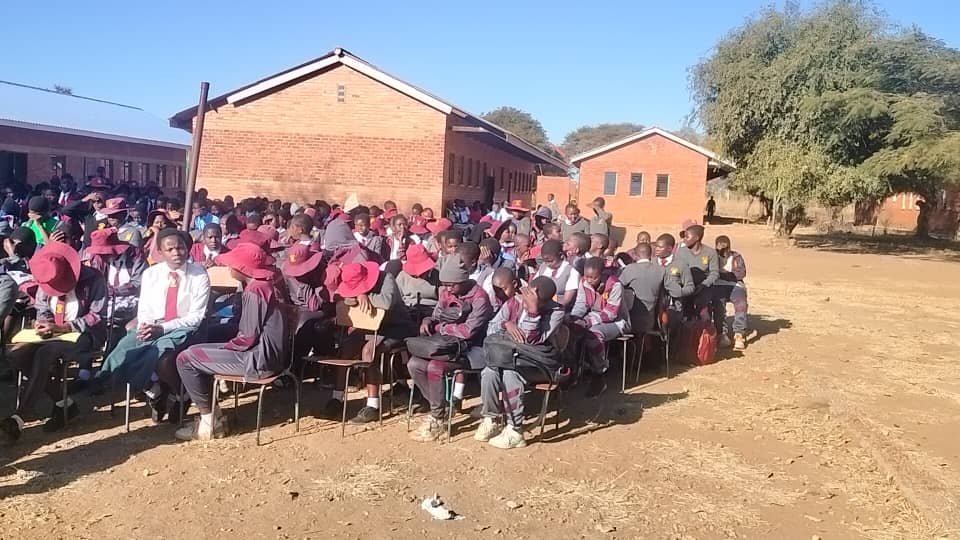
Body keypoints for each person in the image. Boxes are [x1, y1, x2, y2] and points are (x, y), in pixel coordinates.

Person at [175, 242, 289, 441]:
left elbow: (247, 337)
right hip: (267, 355)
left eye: (232, 264)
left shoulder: (256, 290)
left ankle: (209, 423)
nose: (229, 268)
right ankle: (214, 415)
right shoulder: (266, 284)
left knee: (186, 359)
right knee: (197, 350)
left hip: (257, 359)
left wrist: (225, 347)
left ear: (241, 268)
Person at [94, 229, 210, 421]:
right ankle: (153, 390)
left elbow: (195, 317)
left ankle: (181, 394)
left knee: (160, 357)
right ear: (161, 252)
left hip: (185, 328)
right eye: (170, 249)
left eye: (180, 248)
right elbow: (145, 308)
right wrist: (146, 326)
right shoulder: (151, 274)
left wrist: (162, 329)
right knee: (123, 352)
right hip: (154, 325)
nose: (176, 253)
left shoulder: (199, 274)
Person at [1, 241, 107, 441]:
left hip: (84, 333)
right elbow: (42, 308)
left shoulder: (94, 279)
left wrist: (65, 327)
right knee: (15, 355)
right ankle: (64, 404)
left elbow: (97, 316)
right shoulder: (46, 277)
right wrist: (45, 323)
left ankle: (19, 416)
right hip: (53, 333)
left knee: (44, 354)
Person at [407, 254, 492, 442]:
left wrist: (440, 327)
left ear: (463, 280)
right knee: (414, 364)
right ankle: (441, 409)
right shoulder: (446, 293)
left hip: (471, 349)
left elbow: (468, 331)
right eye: (444, 284)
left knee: (435, 368)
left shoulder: (479, 298)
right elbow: (437, 313)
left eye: (451, 285)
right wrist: (428, 321)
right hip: (444, 345)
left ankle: (437, 418)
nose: (446, 289)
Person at [475, 275, 565, 449]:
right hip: (512, 356)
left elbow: (531, 341)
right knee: (489, 371)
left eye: (532, 297)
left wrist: (533, 312)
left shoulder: (557, 312)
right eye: (526, 295)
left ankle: (515, 429)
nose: (525, 299)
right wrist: (506, 324)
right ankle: (491, 418)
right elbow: (491, 329)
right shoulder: (514, 302)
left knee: (510, 373)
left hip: (540, 363)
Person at [570, 257, 629, 396]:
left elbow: (611, 314)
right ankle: (574, 371)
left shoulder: (614, 285)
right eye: (587, 276)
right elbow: (581, 304)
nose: (589, 280)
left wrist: (587, 322)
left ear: (602, 274)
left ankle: (599, 375)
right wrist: (574, 318)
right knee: (571, 330)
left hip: (617, 322)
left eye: (594, 277)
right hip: (593, 317)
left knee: (593, 335)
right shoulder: (584, 282)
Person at [83, 228, 146, 352]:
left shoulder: (135, 255)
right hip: (106, 298)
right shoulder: (98, 258)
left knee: (115, 320)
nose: (102, 256)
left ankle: (112, 353)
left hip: (131, 299)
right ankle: (87, 362)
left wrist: (113, 291)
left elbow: (138, 283)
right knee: (90, 317)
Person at [675, 224, 720, 325]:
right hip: (686, 286)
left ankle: (706, 332)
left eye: (687, 237)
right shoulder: (681, 252)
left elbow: (714, 273)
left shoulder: (710, 253)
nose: (684, 239)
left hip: (703, 286)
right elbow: (677, 270)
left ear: (697, 238)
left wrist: (703, 285)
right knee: (680, 309)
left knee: (703, 311)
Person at [618, 242, 665, 335]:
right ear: (650, 254)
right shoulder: (661, 270)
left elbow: (617, 286)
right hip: (651, 319)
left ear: (635, 255)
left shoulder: (630, 269)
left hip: (631, 319)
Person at [714, 235, 748, 350]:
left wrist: (723, 274)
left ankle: (739, 334)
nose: (723, 251)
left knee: (741, 304)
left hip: (735, 285)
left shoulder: (736, 257)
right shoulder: (712, 256)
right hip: (718, 285)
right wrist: (728, 275)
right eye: (720, 248)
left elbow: (741, 273)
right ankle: (721, 334)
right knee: (718, 305)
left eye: (726, 248)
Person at [532, 239, 580, 310]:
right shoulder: (543, 267)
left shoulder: (571, 271)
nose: (548, 264)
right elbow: (532, 287)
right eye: (545, 261)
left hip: (559, 309)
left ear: (560, 255)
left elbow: (566, 300)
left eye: (551, 261)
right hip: (538, 306)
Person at [395, 244, 438, 321]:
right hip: (408, 311)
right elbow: (397, 300)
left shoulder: (437, 275)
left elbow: (443, 300)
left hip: (432, 312)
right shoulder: (402, 276)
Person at [475, 238, 514, 304]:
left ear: (493, 256)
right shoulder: (481, 264)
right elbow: (478, 284)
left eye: (482, 254)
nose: (479, 257)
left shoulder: (508, 264)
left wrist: (489, 264)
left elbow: (497, 282)